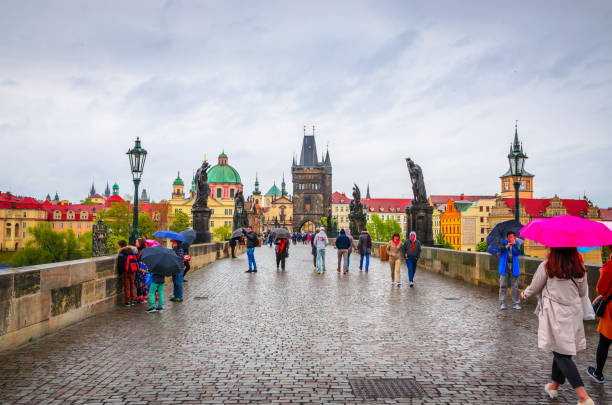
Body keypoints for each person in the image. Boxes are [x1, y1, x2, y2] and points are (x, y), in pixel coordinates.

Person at [521, 247, 594, 405]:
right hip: (573, 312)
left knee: (562, 354)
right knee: (561, 349)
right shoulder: (580, 267)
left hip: (555, 313)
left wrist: (524, 294)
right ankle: (553, 386)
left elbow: (534, 287)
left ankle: (583, 396)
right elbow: (582, 293)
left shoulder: (547, 266)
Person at [586, 247, 612, 384]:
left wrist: (602, 272)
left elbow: (601, 289)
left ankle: (598, 373)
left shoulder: (609, 266)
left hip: (611, 311)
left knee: (604, 341)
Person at [497, 231, 523, 310]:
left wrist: (515, 245)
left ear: (515, 237)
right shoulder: (503, 242)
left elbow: (518, 253)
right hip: (504, 267)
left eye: (513, 236)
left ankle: (516, 303)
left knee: (515, 286)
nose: (512, 238)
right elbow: (499, 250)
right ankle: (503, 303)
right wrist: (506, 247)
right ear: (507, 237)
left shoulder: (517, 244)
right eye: (510, 236)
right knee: (503, 286)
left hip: (514, 267)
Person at [116, 240, 138, 307]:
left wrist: (120, 273)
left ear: (120, 245)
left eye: (118, 245)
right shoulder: (132, 251)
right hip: (133, 270)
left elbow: (120, 264)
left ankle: (127, 301)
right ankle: (132, 300)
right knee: (132, 285)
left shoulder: (121, 252)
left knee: (127, 287)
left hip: (126, 271)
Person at [134, 238, 150, 303]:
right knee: (138, 282)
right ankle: (138, 296)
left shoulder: (145, 250)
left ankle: (143, 296)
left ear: (140, 243)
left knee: (143, 282)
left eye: (136, 242)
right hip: (138, 267)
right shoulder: (136, 250)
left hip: (143, 268)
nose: (135, 243)